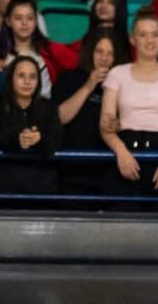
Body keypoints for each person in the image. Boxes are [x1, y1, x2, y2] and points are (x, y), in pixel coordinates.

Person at [100, 11, 158, 199]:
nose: (150, 40)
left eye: (155, 34)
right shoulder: (117, 73)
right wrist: (121, 152)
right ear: (133, 39)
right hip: (126, 149)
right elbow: (105, 125)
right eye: (143, 35)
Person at [0, 54, 62, 203]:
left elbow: (58, 141)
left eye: (32, 77)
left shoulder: (49, 107)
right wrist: (15, 139)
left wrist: (39, 139)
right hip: (3, 189)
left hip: (42, 190)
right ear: (11, 78)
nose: (27, 82)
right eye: (21, 76)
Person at [52, 26, 124, 195]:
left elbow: (128, 124)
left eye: (110, 53)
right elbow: (59, 117)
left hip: (107, 172)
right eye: (99, 51)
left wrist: (118, 126)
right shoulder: (69, 78)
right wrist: (89, 85)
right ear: (90, 51)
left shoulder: (122, 84)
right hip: (70, 170)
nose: (104, 58)